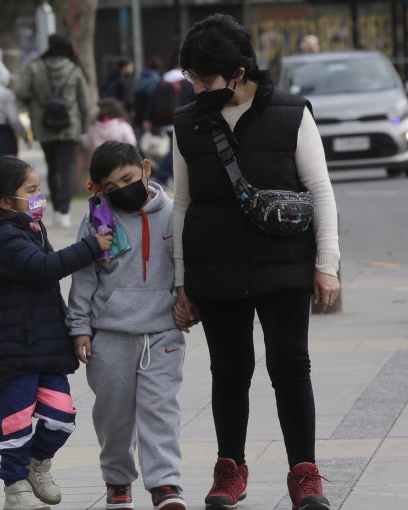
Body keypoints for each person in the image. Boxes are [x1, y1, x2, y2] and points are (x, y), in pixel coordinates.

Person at [171, 14, 340, 510]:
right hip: (215, 267)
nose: (198, 86)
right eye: (192, 78)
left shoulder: (291, 114)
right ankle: (229, 469)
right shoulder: (188, 123)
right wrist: (182, 281)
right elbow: (182, 204)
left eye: (205, 78)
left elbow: (320, 191)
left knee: (291, 367)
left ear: (239, 72)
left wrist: (326, 263)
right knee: (229, 370)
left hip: (283, 263)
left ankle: (304, 474)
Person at [0, 156, 112, 510]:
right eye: (31, 190)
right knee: (15, 420)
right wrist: (91, 245)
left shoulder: (28, 227)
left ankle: (37, 466)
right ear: (4, 201)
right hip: (13, 348)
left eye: (39, 188)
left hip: (43, 345)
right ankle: (15, 487)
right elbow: (42, 268)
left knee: (61, 416)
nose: (38, 196)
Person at [66, 141, 186, 510]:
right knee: (113, 415)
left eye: (128, 179)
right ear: (100, 189)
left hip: (163, 330)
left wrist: (190, 302)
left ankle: (165, 484)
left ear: (146, 168)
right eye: (111, 187)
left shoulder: (174, 213)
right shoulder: (99, 220)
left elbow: (189, 266)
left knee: (160, 408)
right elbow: (84, 277)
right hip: (110, 335)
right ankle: (117, 480)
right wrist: (79, 326)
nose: (122, 190)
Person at [14, 33, 89, 229]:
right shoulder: (74, 69)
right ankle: (65, 211)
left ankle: (56, 210)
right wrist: (83, 127)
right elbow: (85, 102)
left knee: (52, 167)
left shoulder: (35, 67)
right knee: (65, 168)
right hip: (69, 126)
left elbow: (21, 92)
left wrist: (35, 106)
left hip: (44, 125)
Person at [132, 55, 162, 138]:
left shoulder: (139, 78)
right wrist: (147, 118)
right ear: (159, 68)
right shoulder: (156, 80)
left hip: (138, 115)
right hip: (150, 118)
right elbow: (151, 101)